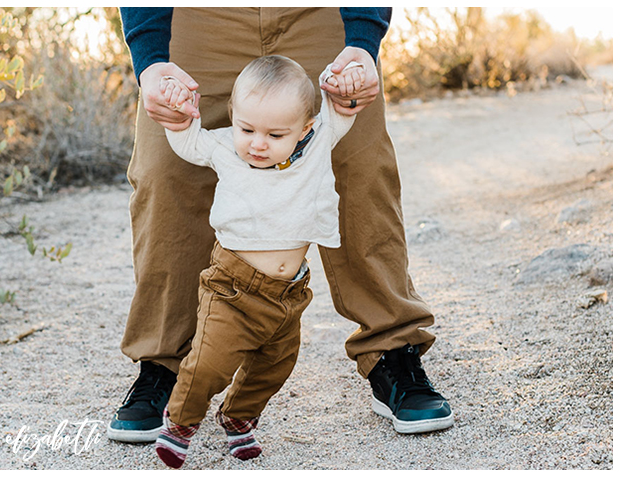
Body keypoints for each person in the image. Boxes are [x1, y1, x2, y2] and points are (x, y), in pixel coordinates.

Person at [110, 7, 453, 443]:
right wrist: (151, 57)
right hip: (197, 18)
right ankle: (163, 363)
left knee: (360, 161)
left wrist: (364, 39)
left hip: (320, 15)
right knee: (165, 169)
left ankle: (392, 350)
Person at [151, 55, 361, 468]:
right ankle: (179, 423)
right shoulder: (226, 147)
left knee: (274, 365)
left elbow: (340, 112)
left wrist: (344, 82)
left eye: (274, 134)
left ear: (304, 129)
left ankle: (237, 416)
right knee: (209, 362)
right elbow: (189, 141)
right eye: (247, 128)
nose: (257, 143)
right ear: (233, 117)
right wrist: (178, 117)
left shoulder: (318, 140)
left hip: (289, 293)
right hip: (233, 286)